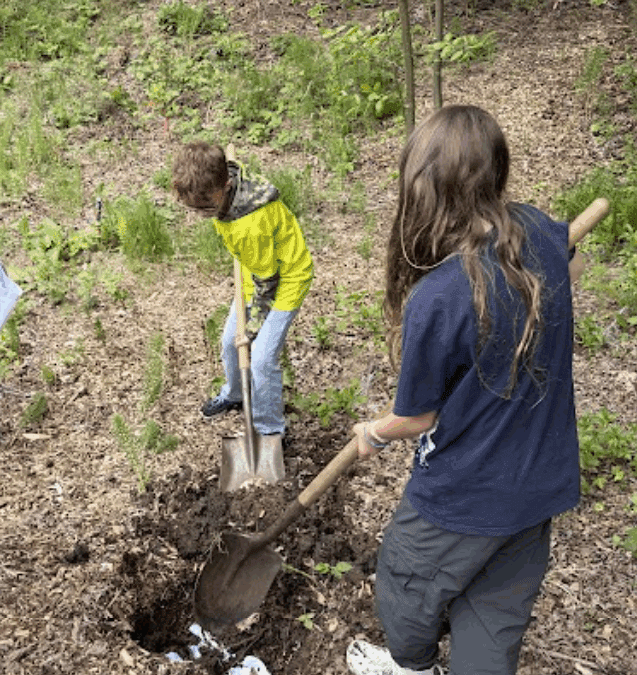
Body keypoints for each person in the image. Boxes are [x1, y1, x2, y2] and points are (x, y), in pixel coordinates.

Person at [345, 105, 583, 675]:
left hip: (465, 494)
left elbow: (418, 417)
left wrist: (372, 432)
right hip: (538, 484)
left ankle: (412, 667)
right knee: (493, 617)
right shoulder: (541, 231)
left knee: (404, 588)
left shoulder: (440, 298)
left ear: (425, 188)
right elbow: (573, 271)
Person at [171, 142, 313, 440]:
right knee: (228, 344)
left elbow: (268, 285)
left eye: (207, 207)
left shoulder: (251, 224)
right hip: (256, 269)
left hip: (284, 280)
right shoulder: (228, 179)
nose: (202, 214)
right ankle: (235, 393)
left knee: (260, 358)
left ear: (226, 185)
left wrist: (252, 330)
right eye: (193, 208)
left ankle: (269, 429)